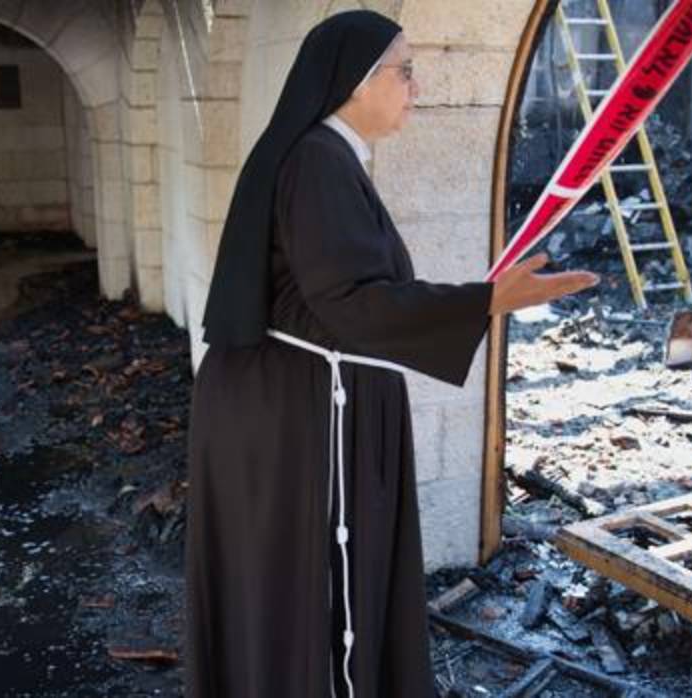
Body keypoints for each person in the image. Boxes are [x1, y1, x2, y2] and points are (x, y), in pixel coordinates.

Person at [184, 10, 596, 698]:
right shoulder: (318, 160)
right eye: (404, 70)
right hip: (308, 413)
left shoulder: (323, 155)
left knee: (280, 587)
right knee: (316, 587)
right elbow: (351, 303)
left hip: (291, 403)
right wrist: (488, 299)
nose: (417, 85)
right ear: (354, 80)